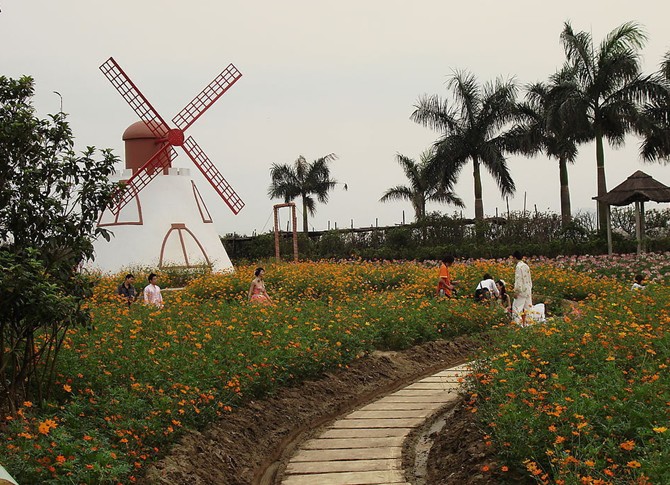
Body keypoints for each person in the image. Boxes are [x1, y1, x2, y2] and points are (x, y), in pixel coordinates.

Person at [512, 251, 532, 325]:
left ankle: (517, 325)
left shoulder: (518, 267)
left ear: (515, 258)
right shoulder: (526, 266)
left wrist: (516, 291)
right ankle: (529, 325)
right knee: (528, 309)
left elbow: (518, 280)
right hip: (528, 290)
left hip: (521, 291)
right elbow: (529, 279)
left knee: (516, 309)